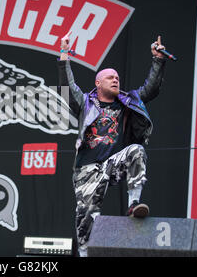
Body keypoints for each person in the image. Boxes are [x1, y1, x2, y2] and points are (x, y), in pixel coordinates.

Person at [57, 31, 168, 257]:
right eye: (110, 77)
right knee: (86, 219)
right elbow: (66, 89)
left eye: (117, 77)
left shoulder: (128, 101)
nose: (116, 79)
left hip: (112, 164)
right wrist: (64, 54)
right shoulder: (85, 102)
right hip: (87, 170)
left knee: (136, 150)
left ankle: (134, 203)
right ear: (98, 83)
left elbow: (151, 89)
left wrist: (157, 59)